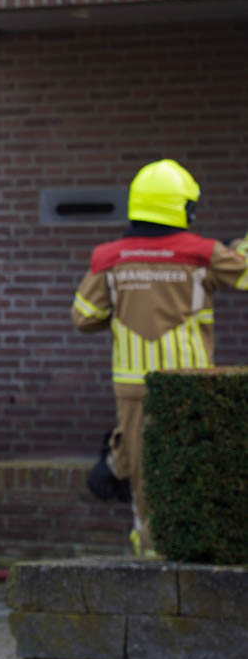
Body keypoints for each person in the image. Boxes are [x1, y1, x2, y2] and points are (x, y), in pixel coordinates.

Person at [70, 158, 248, 554]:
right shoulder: (203, 253)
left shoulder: (109, 258)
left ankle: (148, 549)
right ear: (181, 207)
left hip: (132, 386)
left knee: (145, 475)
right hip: (191, 384)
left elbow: (84, 316)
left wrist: (123, 308)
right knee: (194, 468)